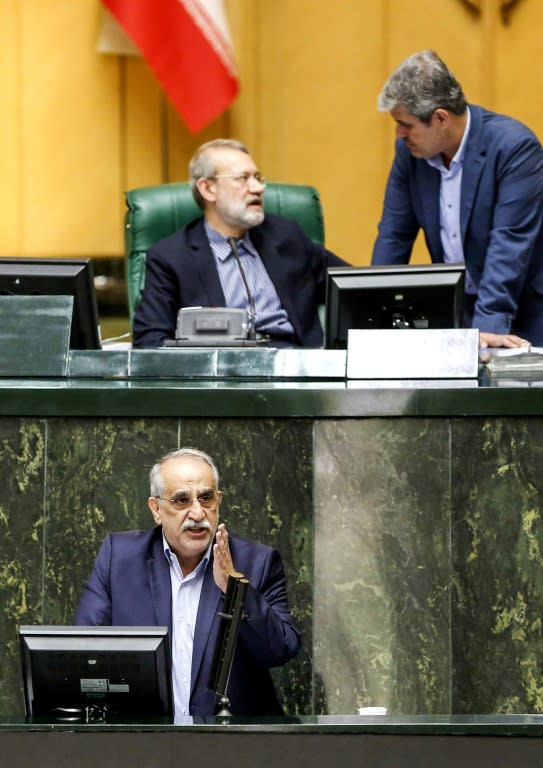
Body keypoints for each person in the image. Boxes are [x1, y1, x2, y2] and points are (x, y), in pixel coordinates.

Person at [74, 447, 301, 717]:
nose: (197, 513)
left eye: (206, 498)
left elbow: (281, 650)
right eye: (181, 500)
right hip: (143, 745)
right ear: (156, 509)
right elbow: (82, 651)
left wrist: (234, 586)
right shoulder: (119, 558)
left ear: (219, 501)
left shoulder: (257, 562)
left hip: (230, 747)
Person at [372, 49, 543, 349]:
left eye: (406, 124)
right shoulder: (410, 154)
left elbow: (509, 244)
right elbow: (393, 236)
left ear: (440, 118)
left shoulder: (515, 148)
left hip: (526, 313)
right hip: (457, 317)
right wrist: (371, 321)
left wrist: (486, 333)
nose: (399, 133)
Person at [132, 138, 349, 348]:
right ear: (208, 189)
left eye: (258, 177)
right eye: (243, 178)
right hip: (223, 377)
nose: (258, 188)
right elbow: (150, 341)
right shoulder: (171, 257)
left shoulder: (287, 236)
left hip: (295, 368)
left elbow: (353, 288)